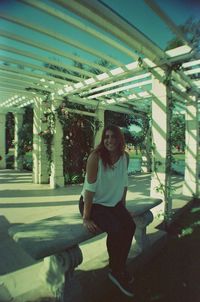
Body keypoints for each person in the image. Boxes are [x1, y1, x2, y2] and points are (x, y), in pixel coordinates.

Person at [79, 125, 136, 297]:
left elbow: (124, 183)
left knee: (130, 226)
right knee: (116, 230)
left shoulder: (125, 157)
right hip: (92, 204)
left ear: (120, 140)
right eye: (106, 137)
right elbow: (89, 190)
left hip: (113, 204)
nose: (109, 140)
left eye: (113, 137)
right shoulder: (95, 157)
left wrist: (123, 209)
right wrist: (86, 218)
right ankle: (115, 271)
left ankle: (120, 266)